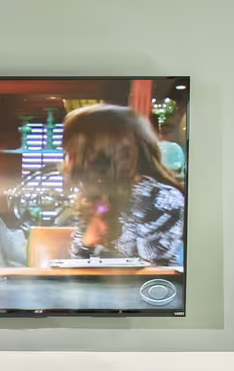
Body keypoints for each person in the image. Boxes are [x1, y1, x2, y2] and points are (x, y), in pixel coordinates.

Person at [61, 104, 186, 266]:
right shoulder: (98, 196)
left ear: (106, 150)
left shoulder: (162, 198)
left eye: (75, 149)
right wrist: (94, 227)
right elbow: (80, 258)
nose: (68, 158)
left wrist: (104, 228)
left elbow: (150, 264)